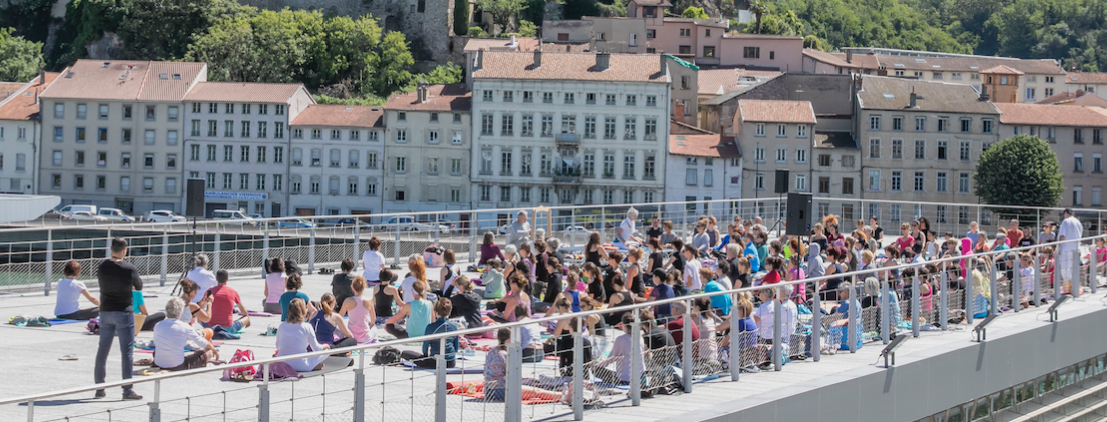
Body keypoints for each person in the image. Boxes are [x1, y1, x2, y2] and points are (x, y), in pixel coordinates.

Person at [93, 238, 143, 400]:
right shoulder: (129, 268)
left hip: (105, 311)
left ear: (110, 249)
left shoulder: (102, 266)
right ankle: (127, 390)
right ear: (125, 250)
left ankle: (100, 388)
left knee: (102, 350)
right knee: (126, 352)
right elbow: (139, 286)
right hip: (124, 312)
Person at [483, 328, 564, 402]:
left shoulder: (492, 351)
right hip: (503, 390)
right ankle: (563, 395)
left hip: (488, 390)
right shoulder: (505, 355)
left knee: (531, 384)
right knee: (536, 391)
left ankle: (560, 393)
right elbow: (514, 376)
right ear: (509, 339)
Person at [153, 297, 218, 371]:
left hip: (158, 363)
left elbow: (156, 343)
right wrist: (213, 350)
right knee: (208, 352)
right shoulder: (184, 326)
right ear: (180, 312)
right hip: (177, 365)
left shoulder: (158, 325)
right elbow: (201, 342)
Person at [400, 299, 459, 368]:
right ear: (449, 312)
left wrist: (425, 356)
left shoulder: (431, 327)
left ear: (435, 312)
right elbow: (456, 347)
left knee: (405, 353)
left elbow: (425, 347)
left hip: (435, 362)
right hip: (451, 362)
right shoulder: (454, 327)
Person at [275, 298, 331, 372]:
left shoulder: (282, 325)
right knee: (326, 352)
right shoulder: (307, 326)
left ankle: (313, 364)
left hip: (282, 364)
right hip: (302, 365)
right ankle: (313, 365)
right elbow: (316, 348)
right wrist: (326, 346)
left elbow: (278, 346)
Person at [591, 314, 646, 385]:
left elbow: (611, 358)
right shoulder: (640, 337)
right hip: (640, 374)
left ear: (624, 325)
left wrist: (596, 365)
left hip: (625, 378)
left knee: (596, 370)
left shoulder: (621, 339)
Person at [339, 276, 377, 344]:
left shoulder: (347, 301)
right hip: (366, 338)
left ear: (352, 288)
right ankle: (375, 341)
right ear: (363, 288)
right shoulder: (369, 301)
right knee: (374, 328)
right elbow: (373, 321)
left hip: (351, 337)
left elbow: (339, 317)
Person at [1057, 208, 1083, 289]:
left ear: (1065, 213)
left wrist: (1058, 247)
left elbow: (1062, 236)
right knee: (1072, 269)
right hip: (1076, 248)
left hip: (1066, 248)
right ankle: (1074, 286)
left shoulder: (1066, 221)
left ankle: (1067, 287)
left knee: (1065, 269)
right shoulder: (1078, 222)